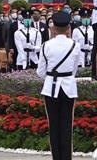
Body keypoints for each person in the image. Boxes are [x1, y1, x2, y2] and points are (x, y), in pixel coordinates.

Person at [37, 11, 81, 160]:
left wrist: (52, 77)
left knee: (54, 126)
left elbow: (41, 71)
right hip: (68, 86)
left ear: (53, 28)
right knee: (66, 125)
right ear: (69, 27)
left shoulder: (46, 45)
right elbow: (74, 69)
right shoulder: (75, 45)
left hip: (51, 88)